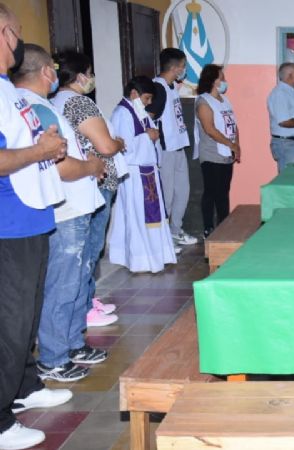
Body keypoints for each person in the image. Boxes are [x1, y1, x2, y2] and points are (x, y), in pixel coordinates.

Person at [0, 6, 72, 448]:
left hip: (31, 216)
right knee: (9, 322)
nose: (18, 42)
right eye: (15, 33)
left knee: (25, 317)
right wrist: (39, 152)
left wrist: (47, 148)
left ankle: (24, 386)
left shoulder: (7, 88)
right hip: (8, 223)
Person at [14, 44, 107, 385]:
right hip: (67, 209)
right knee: (63, 284)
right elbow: (61, 165)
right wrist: (92, 166)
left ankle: (71, 343)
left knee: (76, 279)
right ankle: (54, 357)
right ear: (46, 72)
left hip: (75, 206)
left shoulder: (39, 105)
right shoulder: (37, 108)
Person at [53, 51, 124, 330]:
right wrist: (119, 143)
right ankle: (84, 310)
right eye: (90, 73)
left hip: (80, 184)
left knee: (85, 252)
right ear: (80, 75)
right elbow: (105, 146)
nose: (92, 78)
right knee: (90, 250)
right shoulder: (78, 102)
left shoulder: (55, 100)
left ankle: (87, 301)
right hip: (94, 183)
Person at [108, 76, 177, 273]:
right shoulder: (122, 113)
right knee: (137, 216)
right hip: (134, 173)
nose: (148, 103)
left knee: (151, 217)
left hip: (147, 171)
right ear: (134, 94)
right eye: (146, 98)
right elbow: (125, 147)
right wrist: (148, 136)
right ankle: (140, 259)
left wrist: (151, 136)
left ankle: (156, 255)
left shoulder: (139, 111)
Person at [154, 48, 197, 246]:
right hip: (166, 149)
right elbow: (151, 117)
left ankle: (175, 230)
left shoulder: (172, 87)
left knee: (183, 192)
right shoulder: (158, 87)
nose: (184, 70)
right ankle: (162, 239)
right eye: (183, 66)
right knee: (167, 195)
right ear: (175, 67)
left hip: (179, 147)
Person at [194, 64, 240, 238]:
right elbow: (210, 129)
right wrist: (231, 145)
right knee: (211, 192)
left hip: (227, 153)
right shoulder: (203, 102)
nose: (225, 81)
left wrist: (237, 145)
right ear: (213, 81)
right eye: (222, 78)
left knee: (223, 192)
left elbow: (233, 125)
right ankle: (208, 228)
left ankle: (224, 225)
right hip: (212, 154)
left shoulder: (224, 100)